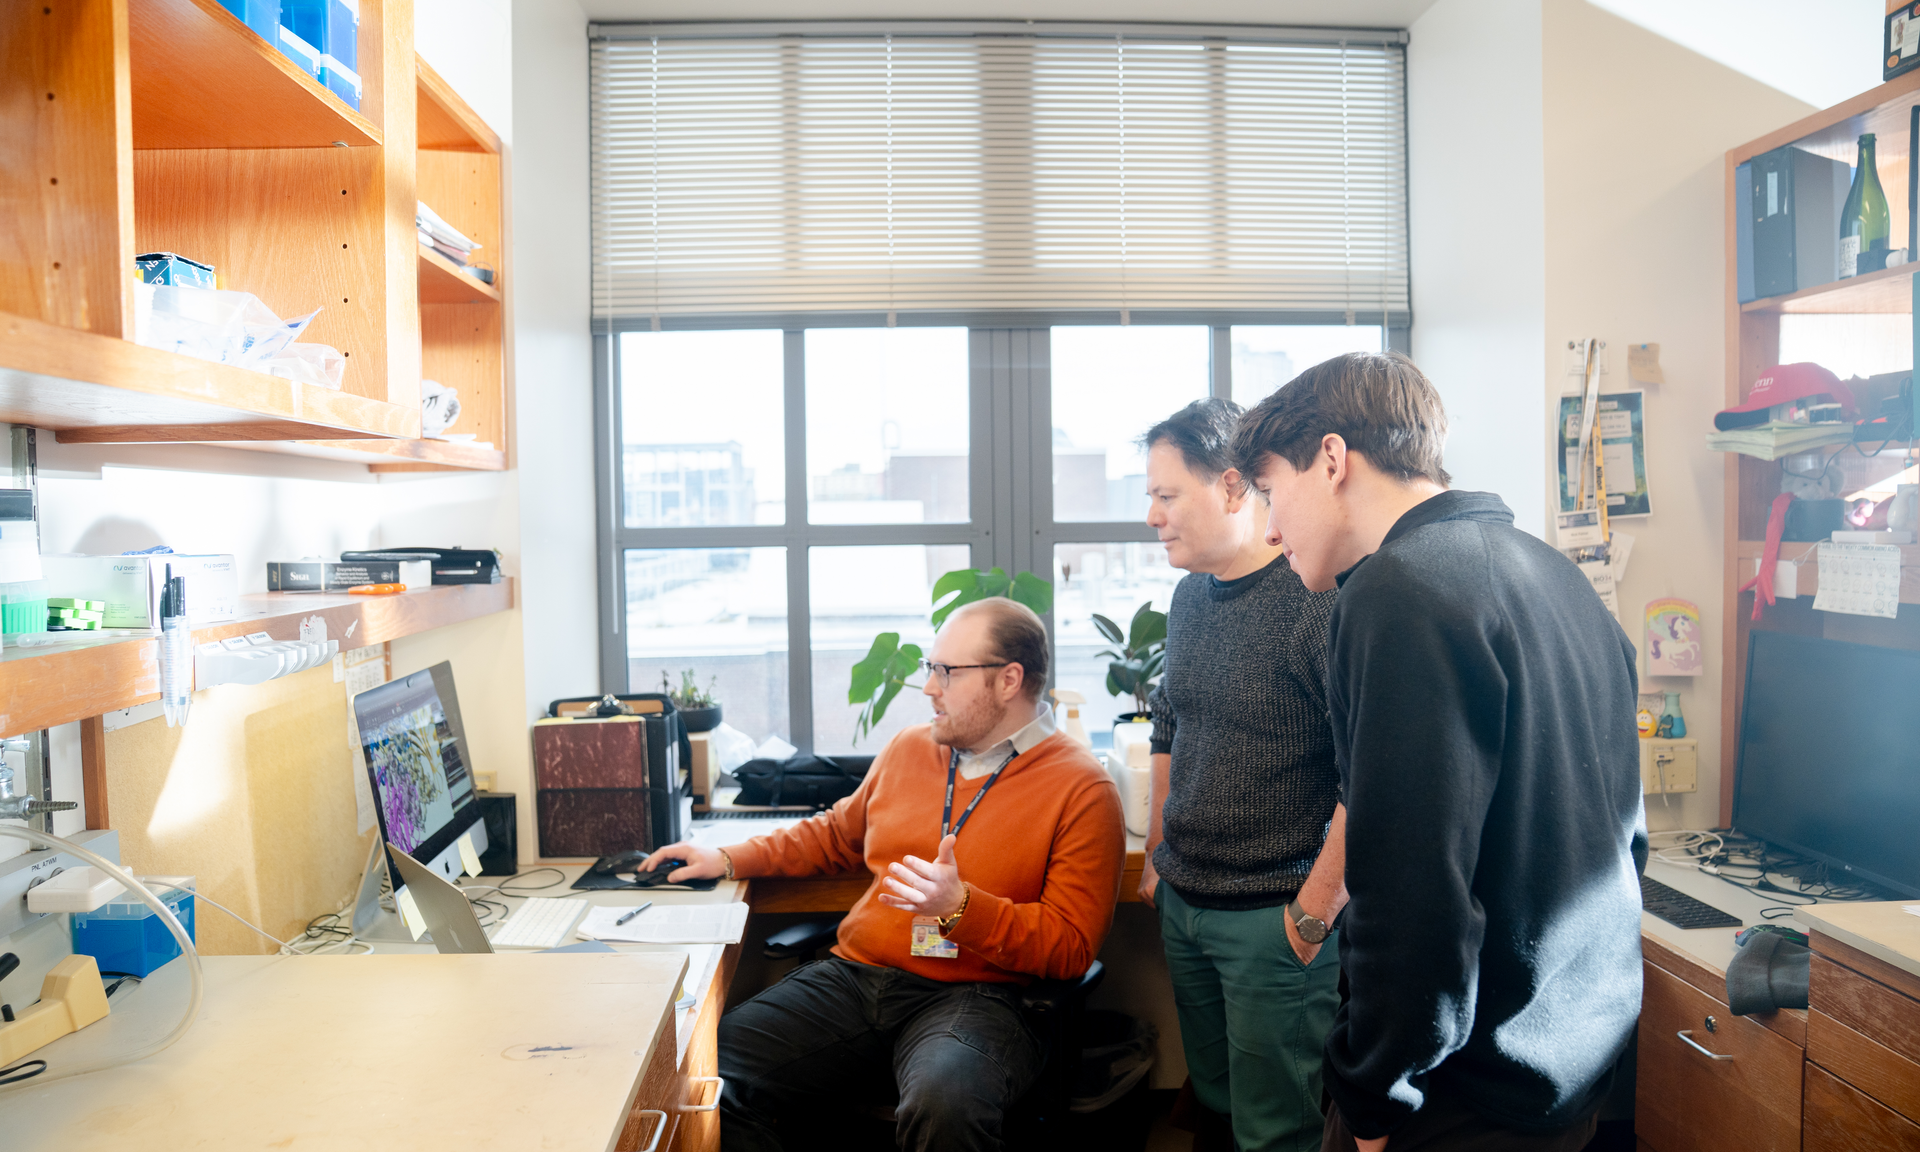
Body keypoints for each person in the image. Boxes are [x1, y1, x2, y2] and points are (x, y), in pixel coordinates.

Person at [1230, 352, 1643, 1152]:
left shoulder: (1398, 592)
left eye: (1273, 492)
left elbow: (1411, 886)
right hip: (1571, 1065)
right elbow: (1624, 838)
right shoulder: (1556, 576)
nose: (1272, 529)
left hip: (1459, 1094)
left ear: (1332, 458)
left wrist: (1375, 1097)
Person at [640, 597, 1126, 1152]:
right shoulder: (910, 749)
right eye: (931, 669)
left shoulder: (1082, 789)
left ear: (1009, 680)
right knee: (702, 1073)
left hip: (982, 996)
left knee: (946, 1104)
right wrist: (728, 858)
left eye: (947, 672)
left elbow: (1069, 947)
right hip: (857, 978)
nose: (929, 688)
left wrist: (961, 907)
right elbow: (834, 835)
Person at [1137, 398, 1346, 1152]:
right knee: (1219, 1106)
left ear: (1231, 488)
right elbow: (1170, 720)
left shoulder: (1315, 601)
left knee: (1280, 1130)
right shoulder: (1190, 597)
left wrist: (1312, 912)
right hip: (1187, 902)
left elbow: (1367, 770)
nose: (1153, 515)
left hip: (1272, 918)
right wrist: (1161, 849)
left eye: (1166, 495)